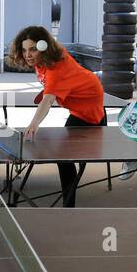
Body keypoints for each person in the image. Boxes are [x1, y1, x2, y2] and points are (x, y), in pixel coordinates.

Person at [7, 26, 106, 207]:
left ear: (44, 48)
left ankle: (69, 207)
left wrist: (33, 124)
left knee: (63, 158)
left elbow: (48, 100)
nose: (27, 54)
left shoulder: (55, 71)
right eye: (24, 49)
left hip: (90, 112)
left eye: (33, 49)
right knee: (64, 155)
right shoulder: (46, 57)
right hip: (78, 106)